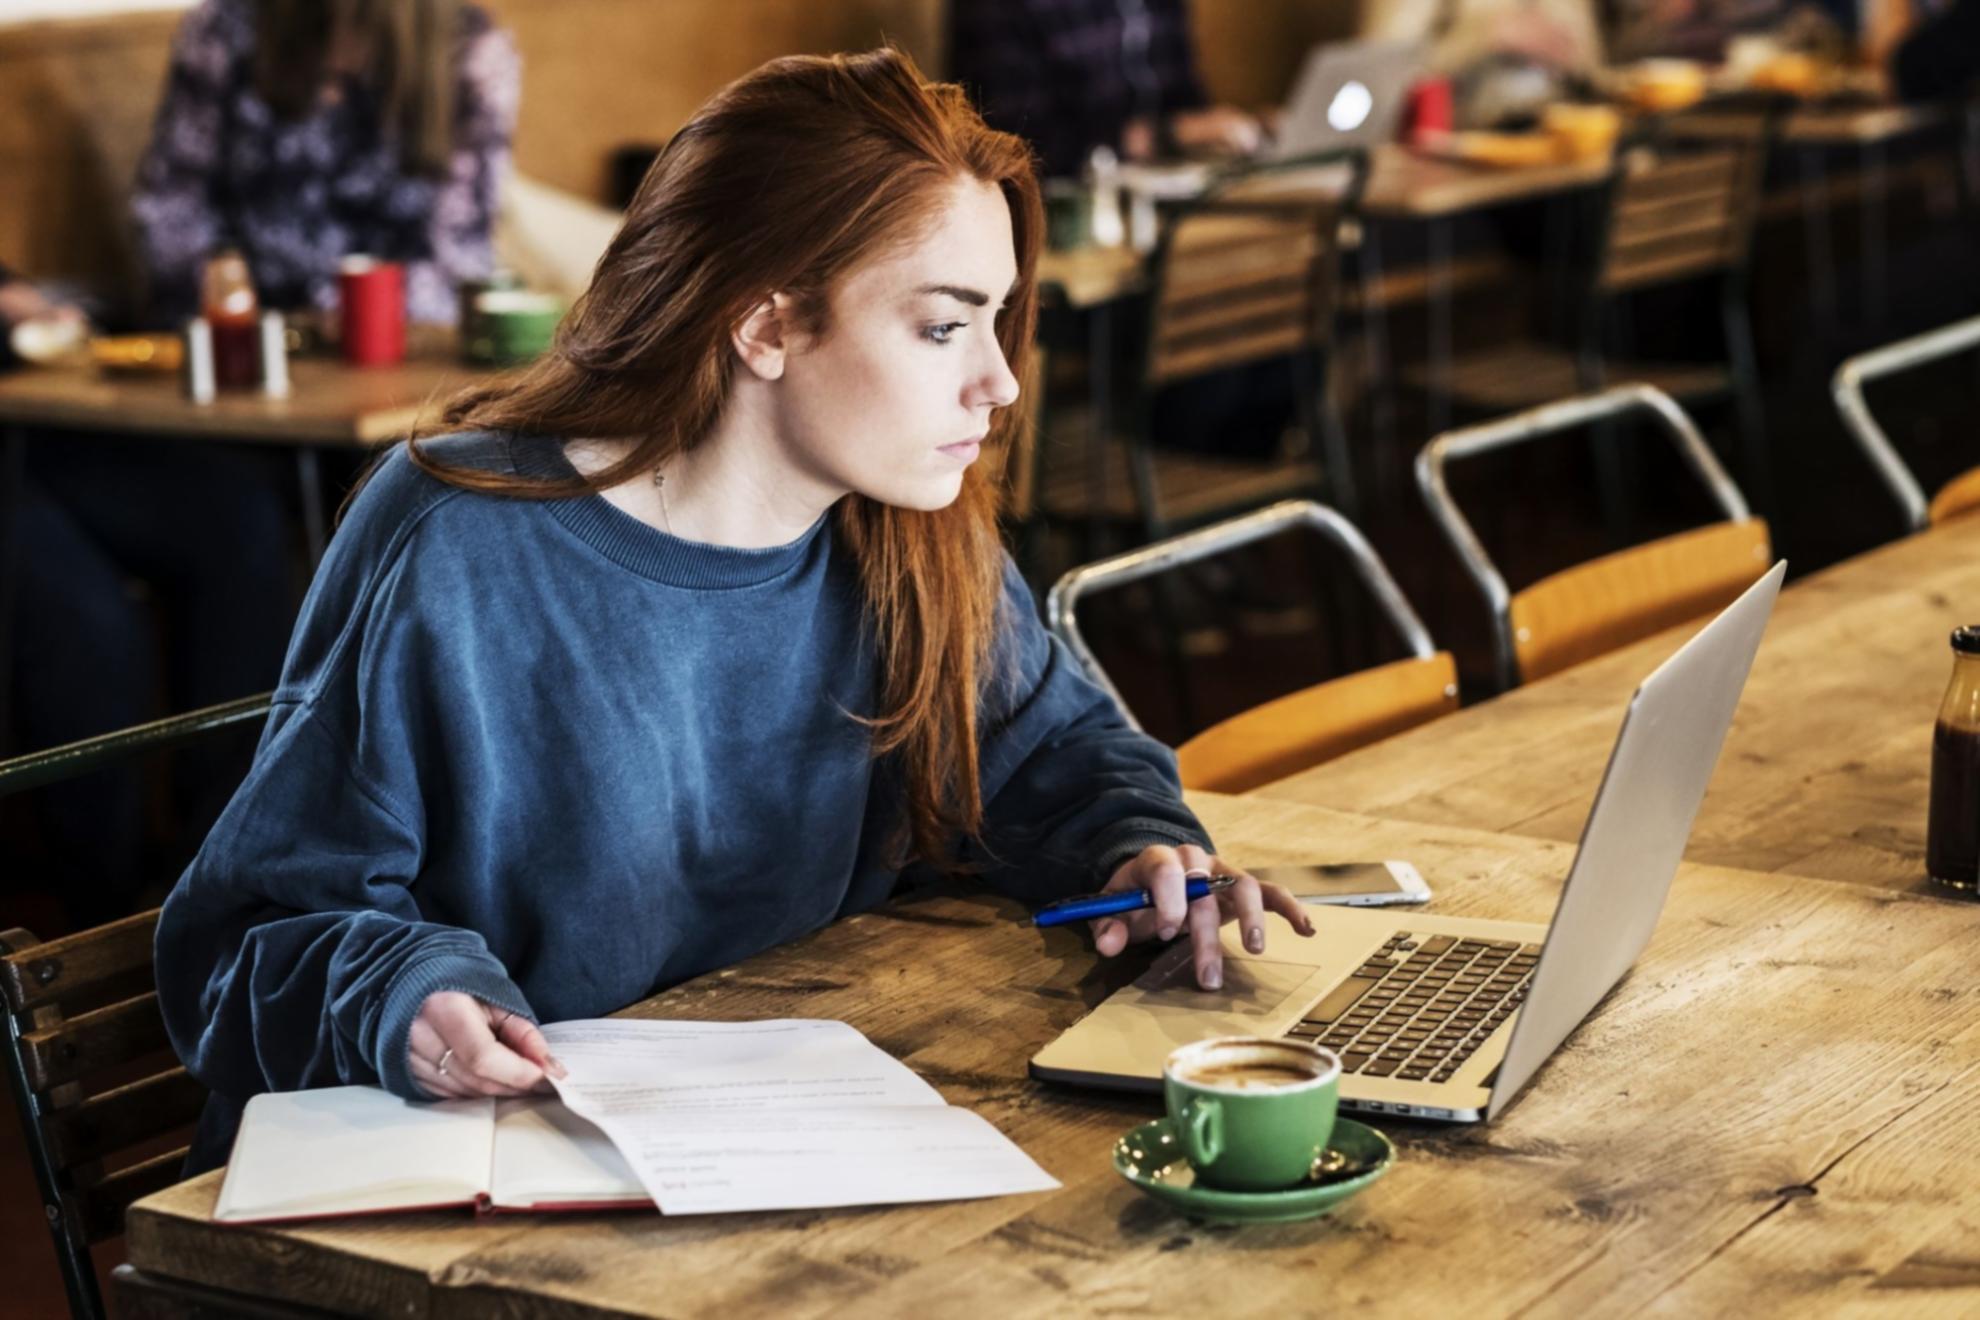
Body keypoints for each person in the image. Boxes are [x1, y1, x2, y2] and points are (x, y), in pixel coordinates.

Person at [156, 48, 1318, 1174]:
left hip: (774, 1155)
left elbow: (1052, 752)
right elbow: (257, 932)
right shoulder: (461, 539)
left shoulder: (909, 521)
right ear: (764, 327)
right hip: (463, 1180)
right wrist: (403, 1000)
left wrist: (1144, 851)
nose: (1001, 383)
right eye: (941, 324)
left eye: (999, 318)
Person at [1, 263, 296, 927]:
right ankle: (104, 917)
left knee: (238, 517)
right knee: (86, 619)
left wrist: (44, 305)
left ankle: (220, 866)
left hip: (39, 425)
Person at [131, 0, 520, 326]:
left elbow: (464, 257)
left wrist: (346, 313)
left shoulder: (469, 50)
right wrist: (237, 307)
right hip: (244, 339)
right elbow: (170, 211)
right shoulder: (226, 31)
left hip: (398, 345)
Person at [946, 0, 1264, 178]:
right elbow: (1010, 146)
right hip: (1062, 224)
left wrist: (1250, 127)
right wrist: (1166, 136)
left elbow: (1187, 101)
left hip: (1174, 195)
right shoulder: (997, 8)